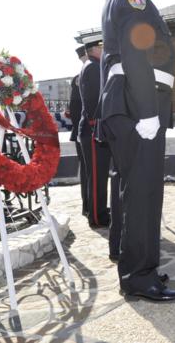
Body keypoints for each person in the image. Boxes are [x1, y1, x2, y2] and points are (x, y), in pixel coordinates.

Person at [97, 0, 175, 302]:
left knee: (142, 191)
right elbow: (136, 52)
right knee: (141, 192)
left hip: (134, 102)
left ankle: (142, 269)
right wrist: (147, 112)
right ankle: (137, 276)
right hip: (137, 104)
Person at [78, 37, 111, 228]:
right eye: (102, 46)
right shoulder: (92, 67)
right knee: (97, 176)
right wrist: (97, 123)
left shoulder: (93, 65)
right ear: (93, 49)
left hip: (93, 127)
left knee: (97, 175)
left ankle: (99, 211)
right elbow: (93, 100)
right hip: (93, 128)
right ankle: (98, 217)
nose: (104, 49)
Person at [68, 46, 88, 216]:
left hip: (83, 130)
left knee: (88, 170)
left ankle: (90, 205)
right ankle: (89, 206)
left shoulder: (81, 75)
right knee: (88, 171)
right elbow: (74, 108)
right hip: (85, 131)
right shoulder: (80, 77)